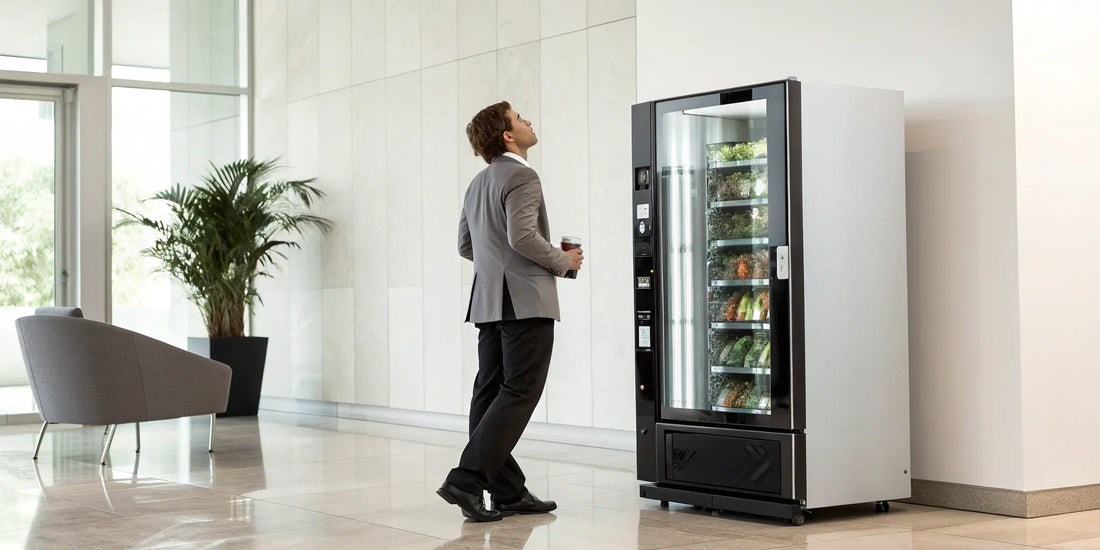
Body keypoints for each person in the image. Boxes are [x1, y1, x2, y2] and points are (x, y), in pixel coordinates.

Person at [436, 101, 583, 522]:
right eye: (520, 119)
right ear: (507, 135)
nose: (529, 122)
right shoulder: (522, 175)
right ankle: (466, 481)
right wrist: (562, 260)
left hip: (487, 302)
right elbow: (522, 237)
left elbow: (467, 246)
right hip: (524, 300)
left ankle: (507, 491)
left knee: (489, 392)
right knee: (520, 391)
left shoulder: (478, 182)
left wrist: (495, 267)